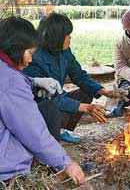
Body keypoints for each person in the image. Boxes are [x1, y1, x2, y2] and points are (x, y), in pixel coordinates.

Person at [0, 16, 85, 184]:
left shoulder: (6, 70)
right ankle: (43, 167)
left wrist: (33, 81)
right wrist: (65, 162)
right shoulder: (11, 82)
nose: (31, 59)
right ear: (15, 49)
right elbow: (31, 130)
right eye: (29, 53)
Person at [23, 12, 121, 143]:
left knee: (87, 91)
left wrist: (103, 91)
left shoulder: (64, 51)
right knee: (52, 107)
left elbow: (79, 76)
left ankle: (61, 129)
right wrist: (85, 107)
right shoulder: (34, 58)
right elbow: (47, 98)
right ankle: (50, 133)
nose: (70, 38)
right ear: (56, 37)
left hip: (57, 98)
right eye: (67, 35)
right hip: (40, 107)